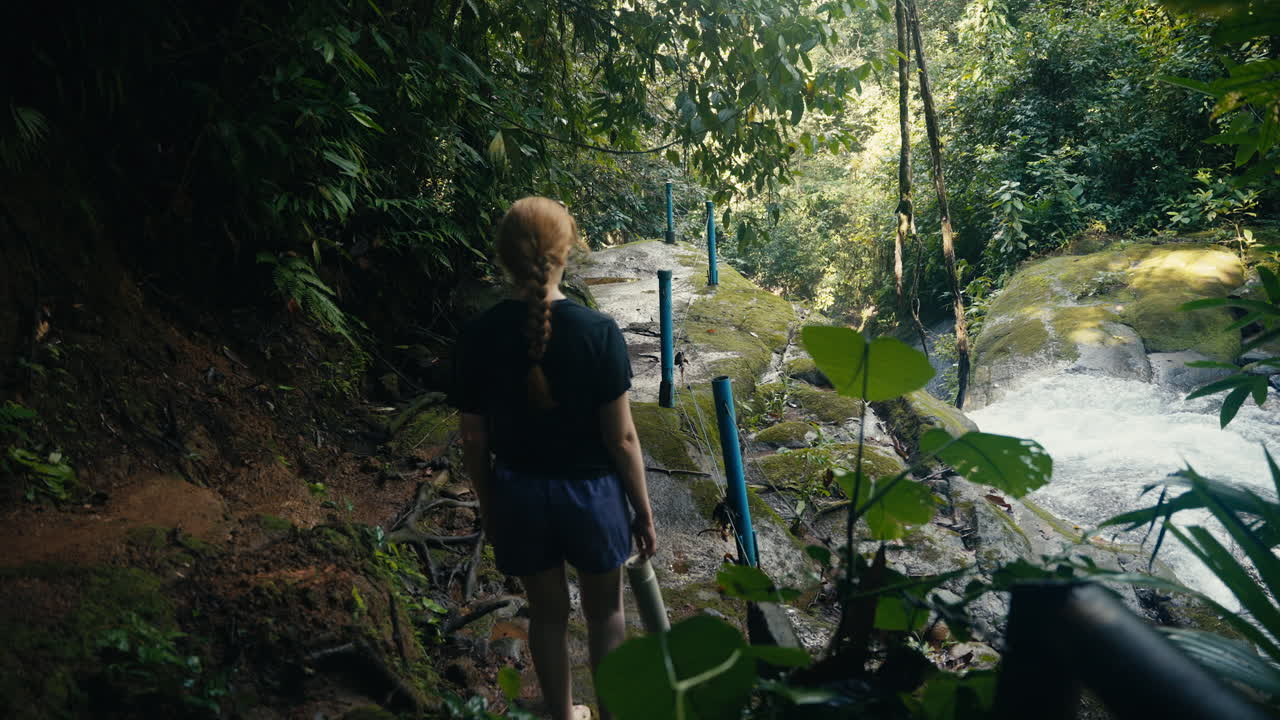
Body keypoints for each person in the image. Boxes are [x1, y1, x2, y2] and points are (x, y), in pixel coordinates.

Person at [454, 196, 658, 720]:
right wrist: (643, 509)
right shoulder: (599, 333)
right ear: (568, 252)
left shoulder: (477, 335)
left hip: (520, 493)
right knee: (606, 614)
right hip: (592, 497)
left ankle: (564, 713)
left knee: (546, 615)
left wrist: (490, 504)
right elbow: (623, 441)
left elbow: (474, 441)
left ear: (502, 257)